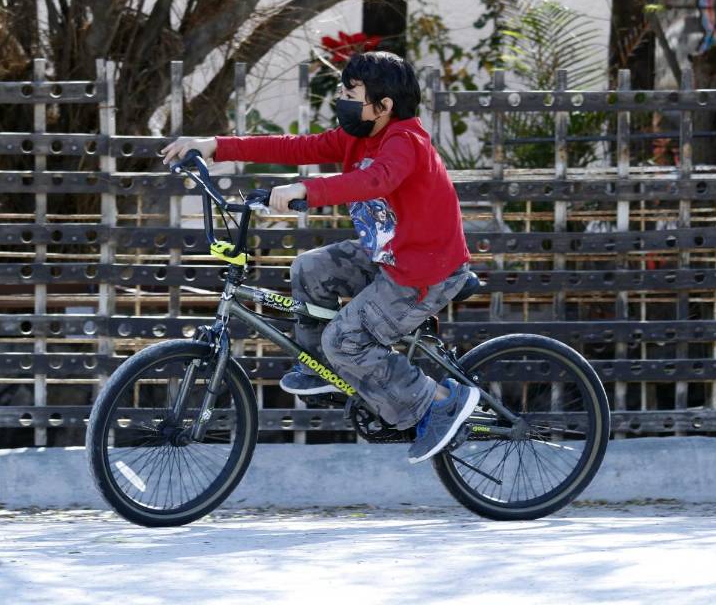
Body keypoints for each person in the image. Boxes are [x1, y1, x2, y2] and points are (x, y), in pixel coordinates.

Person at [161, 51, 478, 463]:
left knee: (345, 339)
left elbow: (375, 179)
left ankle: (438, 401)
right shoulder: (358, 135)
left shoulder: (406, 141)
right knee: (310, 268)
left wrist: (307, 191)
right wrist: (215, 146)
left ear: (384, 106)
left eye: (351, 94)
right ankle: (321, 367)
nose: (340, 100)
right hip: (388, 256)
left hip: (424, 272)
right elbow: (295, 147)